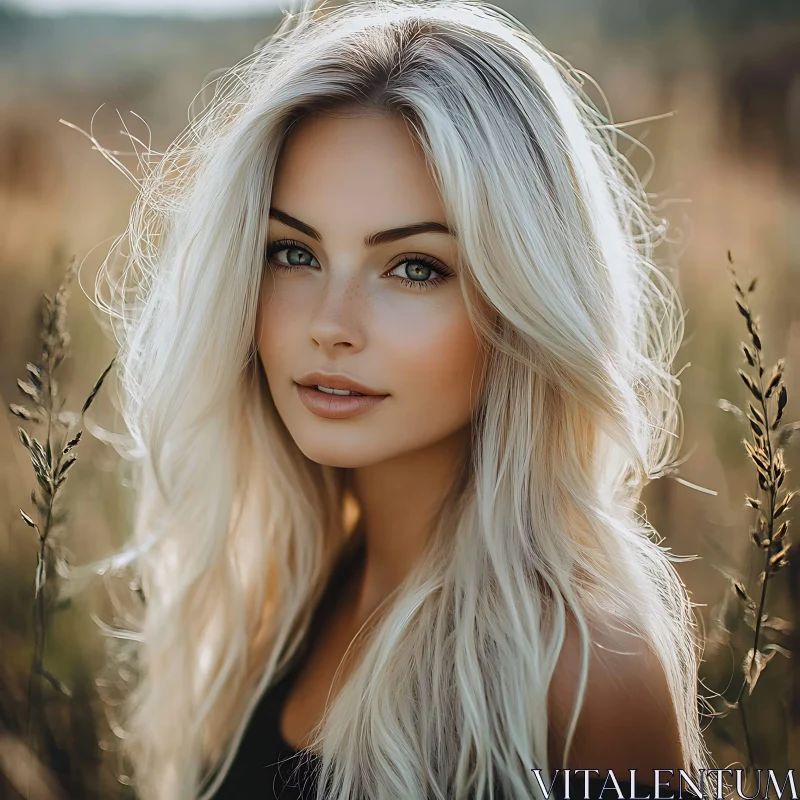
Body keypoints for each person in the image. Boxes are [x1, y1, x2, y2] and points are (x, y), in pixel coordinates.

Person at [73, 0, 718, 797]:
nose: (330, 326)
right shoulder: (285, 592)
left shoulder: (583, 667)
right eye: (293, 252)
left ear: (528, 301)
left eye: (415, 266)